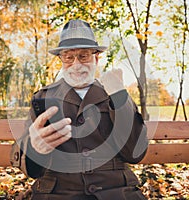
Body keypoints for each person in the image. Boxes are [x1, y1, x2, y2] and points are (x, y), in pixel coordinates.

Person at [11, 19, 148, 200]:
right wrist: (35, 148)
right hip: (59, 193)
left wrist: (120, 96)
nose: (76, 64)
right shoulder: (42, 98)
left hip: (116, 191)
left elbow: (134, 153)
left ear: (96, 58)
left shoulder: (114, 92)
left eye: (83, 56)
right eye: (69, 57)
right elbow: (30, 159)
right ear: (61, 60)